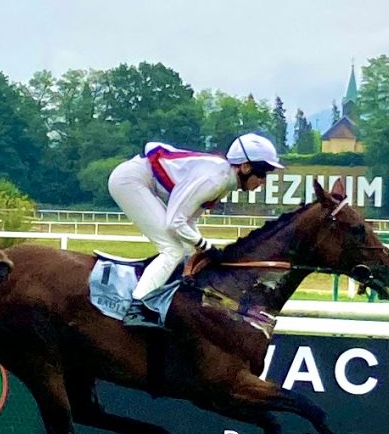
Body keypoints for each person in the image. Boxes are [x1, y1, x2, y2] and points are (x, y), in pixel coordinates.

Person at [107, 133, 282, 324]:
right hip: (130, 181)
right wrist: (207, 247)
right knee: (172, 250)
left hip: (143, 181)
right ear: (245, 167)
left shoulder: (224, 179)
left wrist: (202, 248)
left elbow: (188, 220)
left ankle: (165, 299)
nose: (263, 181)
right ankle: (137, 308)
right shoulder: (215, 179)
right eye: (262, 173)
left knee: (187, 251)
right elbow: (175, 222)